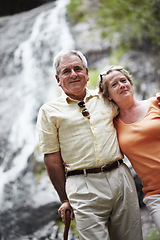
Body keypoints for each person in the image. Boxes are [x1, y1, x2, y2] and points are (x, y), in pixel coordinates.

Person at [37, 50, 143, 240]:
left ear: (86, 73)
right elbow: (51, 158)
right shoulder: (49, 112)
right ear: (58, 78)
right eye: (66, 71)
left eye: (77, 69)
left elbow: (134, 109)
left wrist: (154, 103)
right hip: (82, 185)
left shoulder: (106, 98)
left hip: (120, 177)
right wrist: (64, 199)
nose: (73, 74)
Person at [99, 65, 160, 232]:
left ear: (131, 84)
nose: (121, 85)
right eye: (114, 84)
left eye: (123, 80)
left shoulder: (156, 103)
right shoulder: (111, 125)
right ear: (108, 96)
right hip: (156, 194)